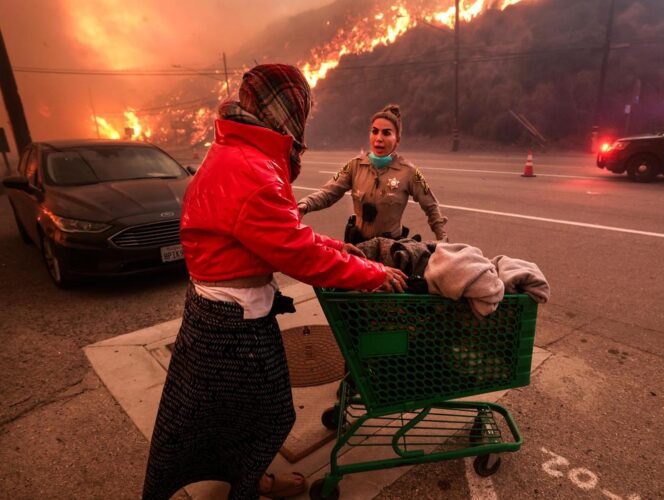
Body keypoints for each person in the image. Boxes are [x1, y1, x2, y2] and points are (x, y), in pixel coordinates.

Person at [142, 64, 407, 500]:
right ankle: (249, 486)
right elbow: (297, 253)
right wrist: (373, 274)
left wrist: (340, 248)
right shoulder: (254, 170)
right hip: (233, 325)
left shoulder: (235, 150)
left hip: (213, 313)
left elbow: (279, 234)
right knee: (265, 416)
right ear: (289, 111)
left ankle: (248, 476)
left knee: (219, 415)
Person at [297, 104, 449, 243]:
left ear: (397, 140)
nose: (379, 138)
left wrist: (442, 240)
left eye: (386, 133)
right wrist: (304, 205)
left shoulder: (408, 172)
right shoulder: (354, 165)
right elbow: (328, 193)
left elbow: (431, 207)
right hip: (358, 247)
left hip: (391, 249)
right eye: (375, 131)